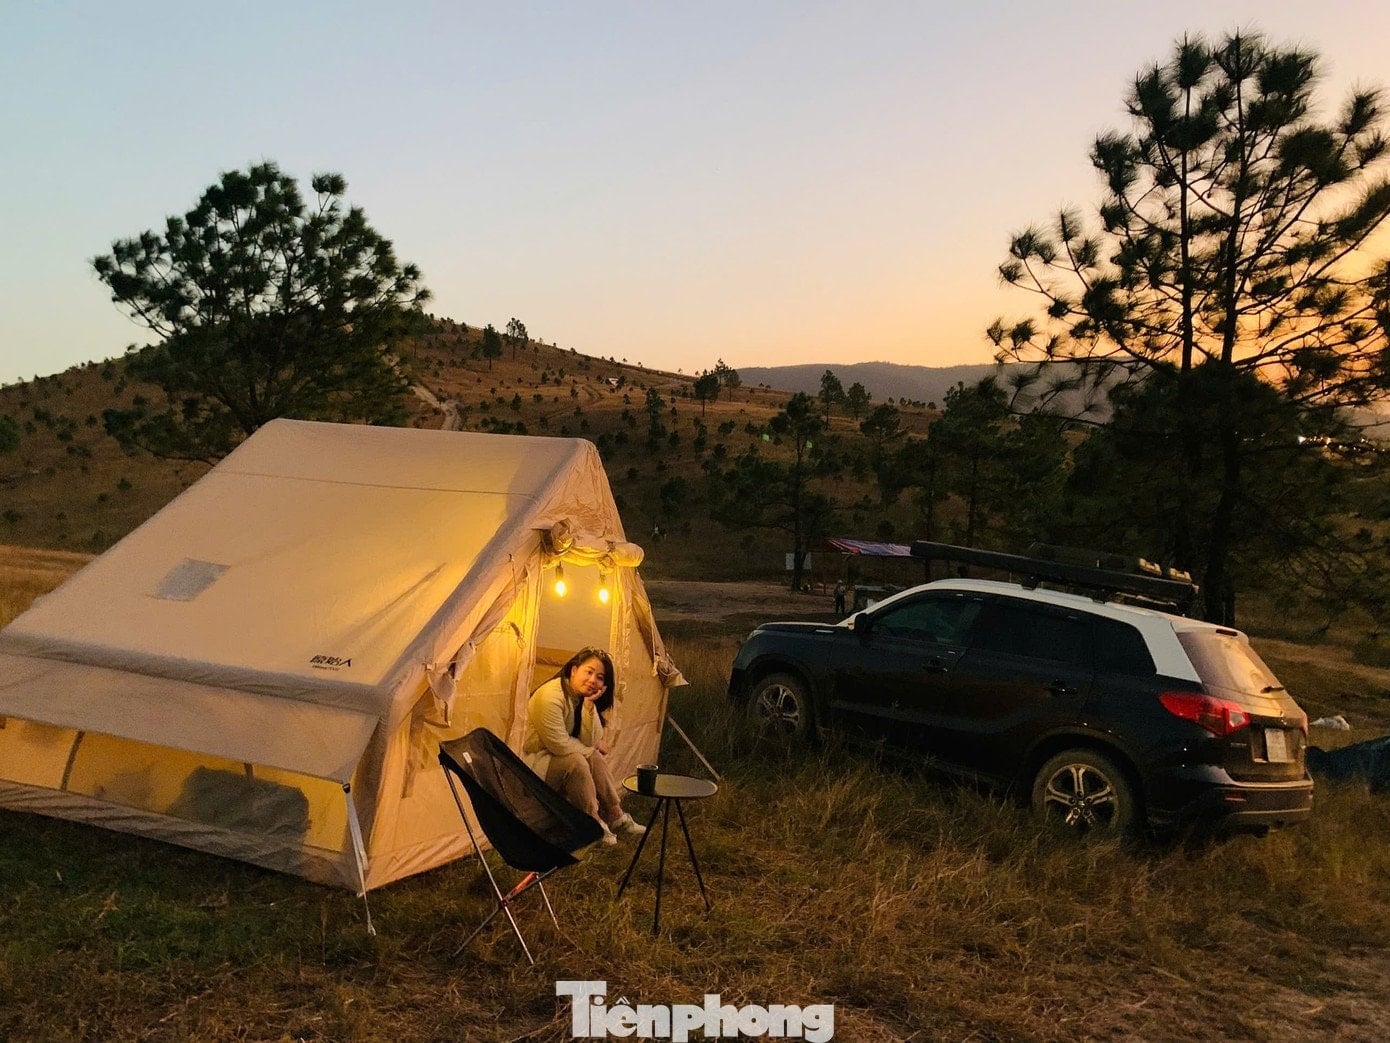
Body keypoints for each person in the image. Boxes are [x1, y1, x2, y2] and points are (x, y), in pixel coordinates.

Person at [522, 647, 646, 845]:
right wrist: (592, 748)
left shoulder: (580, 697)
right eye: (588, 672)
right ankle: (593, 823)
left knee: (591, 757)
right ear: (573, 670)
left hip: (556, 759)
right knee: (577, 760)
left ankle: (616, 816)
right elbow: (560, 746)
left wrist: (589, 707)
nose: (593, 680)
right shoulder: (550, 697)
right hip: (533, 765)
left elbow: (592, 738)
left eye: (600, 677)